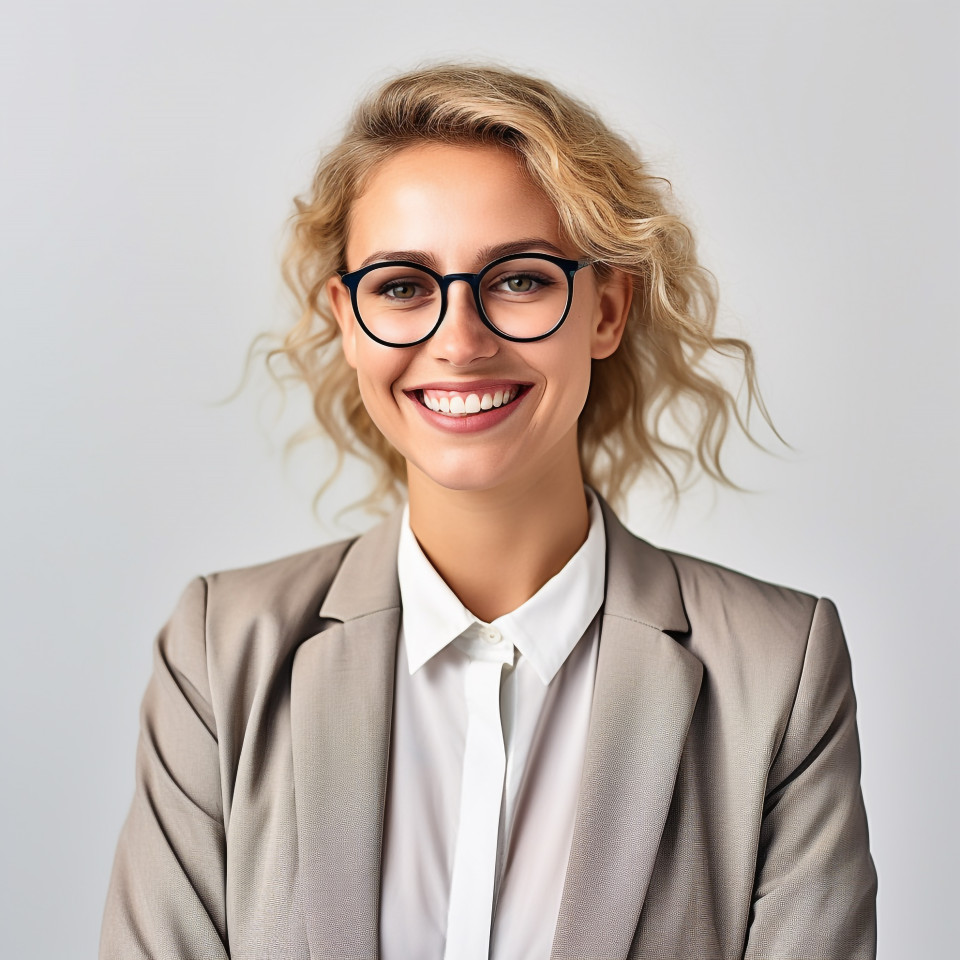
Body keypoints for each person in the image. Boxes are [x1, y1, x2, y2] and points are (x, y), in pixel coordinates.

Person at [100, 64, 877, 960]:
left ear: (606, 310)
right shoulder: (218, 652)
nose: (460, 343)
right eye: (401, 286)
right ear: (346, 320)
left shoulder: (778, 670)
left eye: (518, 279)